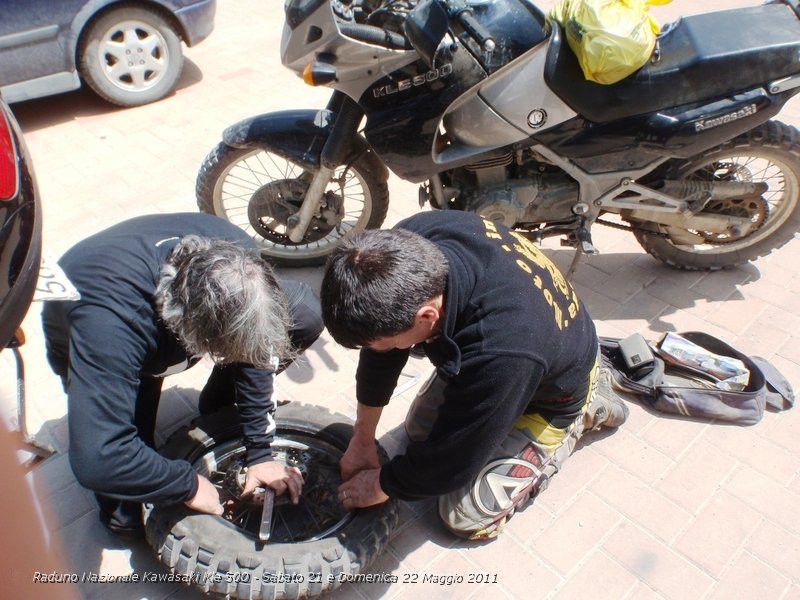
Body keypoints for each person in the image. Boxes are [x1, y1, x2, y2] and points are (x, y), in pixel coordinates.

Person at [321, 211, 628, 540]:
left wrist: (383, 485)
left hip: (553, 389)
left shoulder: (501, 351)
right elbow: (381, 353)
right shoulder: (403, 247)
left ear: (427, 316)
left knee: (464, 516)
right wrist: (363, 437)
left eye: (390, 343)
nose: (385, 349)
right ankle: (492, 402)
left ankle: (585, 408)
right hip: (520, 349)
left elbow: (450, 466)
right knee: (419, 434)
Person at [42, 213, 323, 537]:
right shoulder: (109, 329)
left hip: (166, 307)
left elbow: (256, 348)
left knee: (302, 315)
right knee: (125, 518)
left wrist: (259, 451)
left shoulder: (238, 259)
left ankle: (220, 404)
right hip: (94, 315)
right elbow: (97, 459)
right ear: (193, 335)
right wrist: (188, 486)